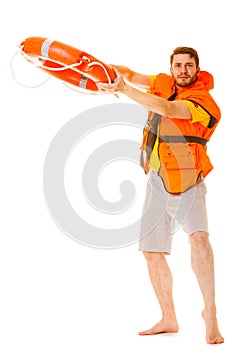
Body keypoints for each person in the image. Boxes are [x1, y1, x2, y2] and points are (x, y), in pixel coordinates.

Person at [97, 47, 224, 344]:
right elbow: (126, 73)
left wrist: (125, 90)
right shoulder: (162, 83)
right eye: (178, 65)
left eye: (188, 66)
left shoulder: (205, 103)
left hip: (188, 181)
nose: (182, 70)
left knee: (200, 240)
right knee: (152, 252)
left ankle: (211, 313)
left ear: (196, 69)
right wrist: (95, 67)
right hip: (157, 178)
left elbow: (168, 110)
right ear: (171, 67)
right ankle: (169, 317)